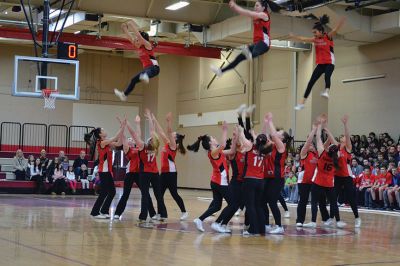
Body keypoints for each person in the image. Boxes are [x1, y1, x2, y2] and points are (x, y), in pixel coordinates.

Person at [210, 0, 281, 77]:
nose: (255, 7)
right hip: (257, 43)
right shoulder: (257, 16)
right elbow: (244, 12)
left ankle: (250, 55)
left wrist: (235, 6)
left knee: (254, 51)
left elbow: (248, 13)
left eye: (257, 6)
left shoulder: (264, 15)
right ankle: (221, 71)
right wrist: (234, 7)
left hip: (264, 43)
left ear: (263, 8)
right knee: (239, 58)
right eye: (254, 6)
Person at [290, 15, 345, 110]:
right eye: (313, 33)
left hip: (329, 63)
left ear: (320, 31)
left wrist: (340, 22)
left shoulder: (328, 37)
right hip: (320, 64)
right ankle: (302, 103)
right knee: (310, 82)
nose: (314, 34)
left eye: (315, 32)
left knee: (327, 76)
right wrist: (294, 37)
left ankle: (326, 91)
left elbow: (335, 30)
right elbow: (303, 39)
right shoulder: (315, 40)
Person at [126, 110, 166, 222]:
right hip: (155, 173)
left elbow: (134, 135)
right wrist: (150, 118)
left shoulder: (143, 146)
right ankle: (162, 214)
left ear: (150, 141)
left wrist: (129, 124)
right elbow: (152, 131)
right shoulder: (156, 147)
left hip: (145, 173)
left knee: (145, 195)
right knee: (158, 195)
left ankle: (143, 216)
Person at [188, 121, 229, 232]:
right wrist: (225, 130)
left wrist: (235, 140)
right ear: (211, 143)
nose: (215, 139)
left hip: (216, 181)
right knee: (233, 204)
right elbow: (224, 145)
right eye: (213, 138)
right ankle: (219, 223)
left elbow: (231, 150)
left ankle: (199, 219)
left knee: (216, 206)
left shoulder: (217, 152)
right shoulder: (213, 152)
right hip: (221, 183)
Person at [303, 122, 345, 228]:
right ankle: (338, 221)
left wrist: (319, 128)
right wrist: (328, 131)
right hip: (329, 183)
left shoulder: (322, 153)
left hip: (318, 182)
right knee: (333, 203)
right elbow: (336, 145)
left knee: (314, 202)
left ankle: (313, 222)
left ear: (328, 150)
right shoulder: (337, 156)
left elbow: (318, 140)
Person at [114, 115, 157, 220]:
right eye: (129, 139)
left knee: (145, 193)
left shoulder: (139, 147)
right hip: (130, 173)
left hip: (140, 173)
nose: (130, 139)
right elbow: (123, 137)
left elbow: (137, 134)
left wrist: (137, 123)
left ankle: (153, 214)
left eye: (131, 139)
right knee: (125, 194)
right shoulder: (127, 149)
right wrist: (122, 125)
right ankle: (117, 213)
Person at [85, 121, 125, 219]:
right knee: (104, 192)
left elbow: (119, 143)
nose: (104, 130)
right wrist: (122, 127)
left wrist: (122, 129)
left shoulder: (107, 143)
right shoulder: (102, 142)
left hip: (107, 171)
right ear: (99, 134)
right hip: (103, 171)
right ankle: (95, 212)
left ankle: (104, 210)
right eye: (102, 130)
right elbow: (115, 138)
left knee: (112, 192)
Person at [153, 112, 189, 221]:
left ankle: (184, 212)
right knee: (159, 194)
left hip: (171, 173)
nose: (171, 134)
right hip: (163, 173)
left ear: (175, 138)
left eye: (173, 134)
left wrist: (169, 122)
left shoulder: (173, 146)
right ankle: (160, 214)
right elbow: (161, 132)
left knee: (174, 194)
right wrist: (154, 119)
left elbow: (168, 132)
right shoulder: (167, 143)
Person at [114, 20, 160, 101]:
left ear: (143, 41)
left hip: (154, 68)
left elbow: (139, 37)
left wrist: (132, 25)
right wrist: (125, 29)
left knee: (147, 71)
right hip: (147, 70)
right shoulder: (138, 46)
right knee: (133, 80)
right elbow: (130, 38)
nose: (135, 41)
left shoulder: (148, 46)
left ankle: (146, 76)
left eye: (137, 40)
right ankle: (124, 95)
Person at [263, 112, 291, 234]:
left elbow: (273, 134)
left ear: (283, 138)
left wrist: (270, 121)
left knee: (272, 201)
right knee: (263, 200)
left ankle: (279, 226)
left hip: (277, 178)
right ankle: (266, 224)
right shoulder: (272, 144)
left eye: (280, 133)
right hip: (268, 177)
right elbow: (263, 137)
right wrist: (265, 124)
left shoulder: (281, 146)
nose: (277, 133)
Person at [332, 115, 361, 227]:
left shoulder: (348, 148)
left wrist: (345, 124)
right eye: (342, 137)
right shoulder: (336, 148)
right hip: (336, 176)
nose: (344, 137)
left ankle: (357, 218)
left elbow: (348, 136)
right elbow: (331, 138)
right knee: (333, 198)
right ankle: (335, 219)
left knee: (350, 197)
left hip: (347, 176)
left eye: (345, 136)